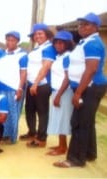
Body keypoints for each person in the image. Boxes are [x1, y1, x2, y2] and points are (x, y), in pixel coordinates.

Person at [54, 12, 107, 168]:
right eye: (80, 24)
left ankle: (75, 159)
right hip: (87, 87)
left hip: (90, 87)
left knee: (78, 122)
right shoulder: (85, 42)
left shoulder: (93, 44)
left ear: (96, 27)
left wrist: (77, 93)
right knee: (87, 122)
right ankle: (89, 153)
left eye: (87, 24)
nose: (82, 27)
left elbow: (91, 70)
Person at [20, 23, 56, 148]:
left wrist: (35, 83)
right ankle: (32, 133)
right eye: (35, 34)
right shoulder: (37, 48)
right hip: (32, 84)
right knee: (30, 110)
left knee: (42, 111)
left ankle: (41, 138)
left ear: (47, 34)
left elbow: (45, 67)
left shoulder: (49, 48)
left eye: (40, 33)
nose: (37, 36)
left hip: (41, 84)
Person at [0, 31, 28, 144]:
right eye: (8, 40)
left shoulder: (22, 55)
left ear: (18, 41)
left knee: (13, 113)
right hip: (1, 87)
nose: (9, 42)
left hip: (14, 88)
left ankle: (11, 137)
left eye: (12, 40)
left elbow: (23, 73)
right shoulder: (1, 54)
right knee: (2, 112)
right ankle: (2, 135)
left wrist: (20, 89)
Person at [46, 30, 74, 156]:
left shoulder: (68, 57)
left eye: (62, 43)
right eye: (56, 42)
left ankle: (63, 147)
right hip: (57, 91)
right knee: (58, 118)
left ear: (68, 44)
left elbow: (68, 78)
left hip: (64, 92)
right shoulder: (59, 57)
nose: (58, 45)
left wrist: (58, 95)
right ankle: (61, 144)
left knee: (62, 119)